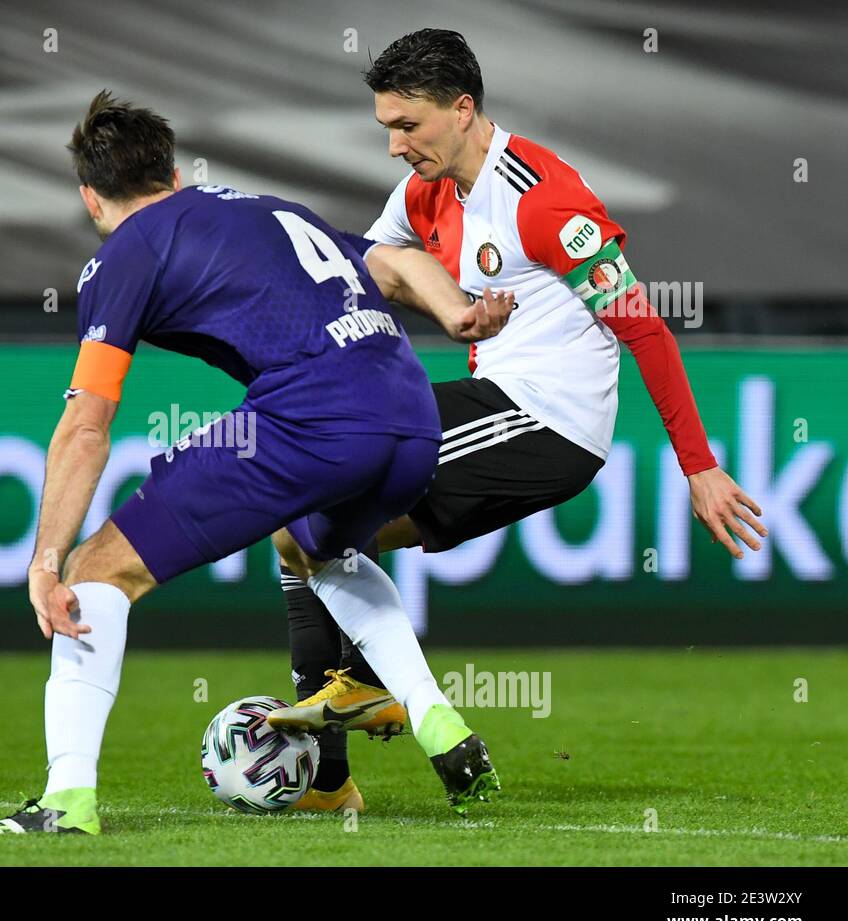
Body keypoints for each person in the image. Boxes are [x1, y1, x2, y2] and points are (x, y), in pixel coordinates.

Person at [0, 91, 513, 835]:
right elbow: (392, 259)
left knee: (97, 571)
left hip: (315, 415)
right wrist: (455, 313)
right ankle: (437, 719)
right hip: (413, 412)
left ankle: (66, 802)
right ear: (177, 175)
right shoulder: (270, 209)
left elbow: (87, 424)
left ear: (92, 198)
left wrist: (45, 561)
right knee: (312, 545)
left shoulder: (123, 252)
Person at [267, 29, 769, 814]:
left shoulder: (542, 199)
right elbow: (371, 270)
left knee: (310, 502)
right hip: (499, 401)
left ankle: (368, 693)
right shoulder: (423, 193)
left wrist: (698, 466)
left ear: (463, 109)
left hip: (545, 421)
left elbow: (645, 326)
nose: (396, 147)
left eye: (409, 126)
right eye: (386, 129)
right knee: (303, 525)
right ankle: (332, 775)